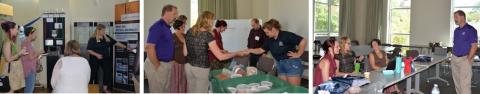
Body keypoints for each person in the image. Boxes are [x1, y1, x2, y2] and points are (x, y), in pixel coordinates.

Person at [185, 11, 247, 93]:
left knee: (191, 91)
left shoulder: (189, 31)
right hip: (201, 69)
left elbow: (185, 53)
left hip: (188, 67)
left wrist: (205, 49)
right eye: (212, 20)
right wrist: (236, 53)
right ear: (208, 21)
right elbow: (220, 57)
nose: (213, 23)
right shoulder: (207, 35)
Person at [247, 19, 307, 86]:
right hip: (280, 64)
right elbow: (260, 50)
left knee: (294, 89)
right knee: (284, 87)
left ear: (273, 29)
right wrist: (250, 50)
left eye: (267, 32)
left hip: (292, 64)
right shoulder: (270, 40)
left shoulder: (286, 35)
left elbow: (303, 41)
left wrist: (298, 54)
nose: (266, 34)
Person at [87, 24, 131, 93]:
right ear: (98, 30)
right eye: (103, 30)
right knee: (93, 74)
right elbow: (89, 50)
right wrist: (97, 55)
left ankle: (105, 89)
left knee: (107, 72)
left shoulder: (106, 37)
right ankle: (93, 89)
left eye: (104, 30)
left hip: (105, 58)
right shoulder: (92, 39)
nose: (104, 31)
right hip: (94, 58)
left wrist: (125, 47)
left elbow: (115, 43)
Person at [145, 4, 178, 93]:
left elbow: (165, 46)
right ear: (166, 12)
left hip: (164, 65)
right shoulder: (157, 26)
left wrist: (170, 60)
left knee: (165, 90)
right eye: (174, 14)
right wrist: (158, 66)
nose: (176, 16)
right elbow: (149, 47)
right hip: (157, 65)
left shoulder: (167, 28)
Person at [452, 10, 477, 94]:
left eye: (456, 17)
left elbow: (474, 46)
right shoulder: (456, 30)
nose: (454, 19)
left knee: (464, 84)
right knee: (457, 82)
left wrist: (468, 59)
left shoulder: (471, 30)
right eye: (454, 17)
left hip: (464, 59)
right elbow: (456, 44)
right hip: (455, 59)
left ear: (462, 17)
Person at [1, 21, 28, 92]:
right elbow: (8, 59)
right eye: (16, 29)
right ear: (11, 30)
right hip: (9, 70)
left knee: (12, 90)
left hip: (13, 69)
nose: (18, 31)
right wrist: (19, 53)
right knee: (9, 90)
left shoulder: (11, 41)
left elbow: (13, 56)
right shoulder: (7, 42)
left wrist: (21, 53)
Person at [20, 27, 43, 93]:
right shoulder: (27, 43)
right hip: (29, 70)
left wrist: (38, 56)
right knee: (29, 90)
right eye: (34, 33)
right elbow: (30, 57)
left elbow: (30, 56)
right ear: (30, 34)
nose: (36, 35)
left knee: (29, 88)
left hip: (30, 69)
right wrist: (39, 52)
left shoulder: (27, 43)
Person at [170, 19, 187, 93]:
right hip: (175, 62)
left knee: (184, 81)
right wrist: (172, 60)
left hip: (185, 62)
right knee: (176, 82)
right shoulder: (172, 37)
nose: (184, 28)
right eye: (183, 26)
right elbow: (169, 50)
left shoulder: (185, 36)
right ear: (179, 27)